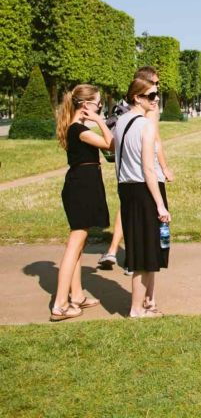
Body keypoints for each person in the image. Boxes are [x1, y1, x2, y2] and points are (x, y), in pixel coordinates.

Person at [99, 67, 174, 272]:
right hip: (146, 171)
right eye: (155, 84)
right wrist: (164, 167)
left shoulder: (125, 110)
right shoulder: (151, 109)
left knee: (127, 212)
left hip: (125, 175)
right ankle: (141, 266)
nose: (158, 90)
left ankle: (116, 251)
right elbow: (154, 140)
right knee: (151, 224)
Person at [50, 85, 114, 321]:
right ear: (86, 105)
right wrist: (100, 120)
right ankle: (60, 304)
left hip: (81, 184)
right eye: (98, 103)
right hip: (82, 187)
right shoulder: (80, 129)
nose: (100, 106)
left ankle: (76, 296)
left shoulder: (75, 128)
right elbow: (111, 144)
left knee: (78, 243)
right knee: (74, 244)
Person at [114, 77, 172, 318]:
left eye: (157, 94)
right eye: (151, 95)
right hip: (145, 189)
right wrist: (160, 204)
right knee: (146, 250)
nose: (156, 99)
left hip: (127, 189)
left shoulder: (120, 122)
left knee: (142, 247)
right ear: (137, 97)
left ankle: (147, 302)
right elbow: (148, 169)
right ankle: (137, 308)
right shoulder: (146, 126)